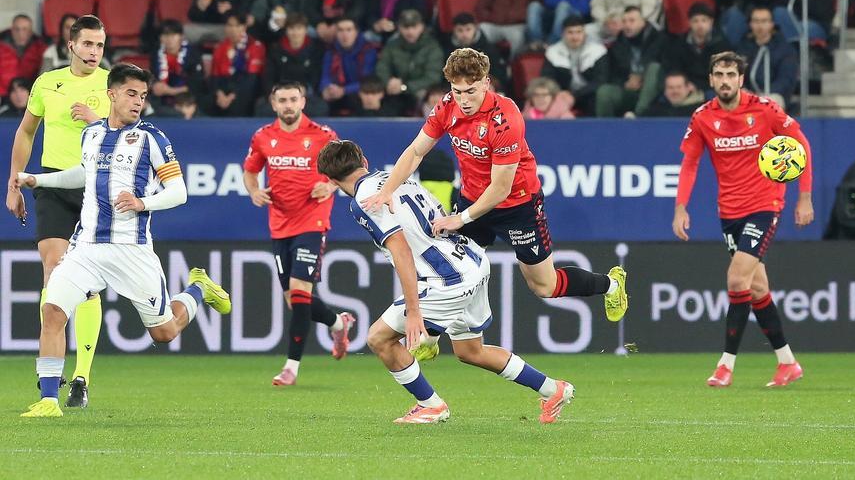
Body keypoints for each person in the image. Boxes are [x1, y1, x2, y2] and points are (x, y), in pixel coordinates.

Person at [361, 48, 628, 358]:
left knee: (544, 286)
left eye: (470, 91)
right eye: (457, 91)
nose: (463, 98)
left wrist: (459, 220)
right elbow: (417, 151)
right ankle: (431, 337)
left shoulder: (505, 118)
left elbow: (500, 188)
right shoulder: (447, 107)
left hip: (518, 206)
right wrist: (387, 191)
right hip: (473, 199)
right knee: (450, 268)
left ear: (486, 83)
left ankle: (611, 284)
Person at [16, 63, 232, 418]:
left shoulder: (152, 138)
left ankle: (197, 289)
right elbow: (84, 174)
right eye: (131, 93)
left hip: (131, 251)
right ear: (111, 94)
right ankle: (49, 400)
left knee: (163, 333)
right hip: (85, 248)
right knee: (53, 310)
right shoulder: (92, 135)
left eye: (143, 96)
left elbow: (179, 191)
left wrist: (142, 202)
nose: (138, 102)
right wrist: (40, 181)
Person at [317, 139, 575, 425]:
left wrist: (414, 312)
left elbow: (400, 250)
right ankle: (553, 389)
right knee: (470, 351)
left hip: (446, 279)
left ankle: (430, 405)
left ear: (329, 180)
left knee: (379, 339)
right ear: (364, 161)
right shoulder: (393, 177)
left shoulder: (364, 202)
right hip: (472, 261)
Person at [672, 51, 814, 388]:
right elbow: (690, 163)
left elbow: (801, 142)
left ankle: (725, 365)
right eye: (718, 74)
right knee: (757, 287)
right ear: (710, 80)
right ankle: (788, 363)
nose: (724, 80)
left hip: (766, 204)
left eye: (730, 74)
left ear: (741, 79)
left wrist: (804, 197)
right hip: (729, 212)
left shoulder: (764, 109)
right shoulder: (703, 117)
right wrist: (681, 207)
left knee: (737, 280)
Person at [5, 15, 110, 409]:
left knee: (87, 282)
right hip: (51, 183)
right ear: (71, 45)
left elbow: (133, 134)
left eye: (99, 45)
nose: (94, 52)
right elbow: (26, 131)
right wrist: (13, 182)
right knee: (54, 267)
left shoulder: (113, 85)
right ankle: (50, 372)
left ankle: (82, 375)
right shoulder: (48, 82)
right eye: (88, 44)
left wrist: (98, 121)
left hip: (94, 187)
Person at [243, 82, 355, 386]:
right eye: (283, 100)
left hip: (312, 221)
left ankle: (291, 366)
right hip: (279, 223)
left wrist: (330, 185)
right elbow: (250, 170)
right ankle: (337, 322)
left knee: (300, 291)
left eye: (293, 99)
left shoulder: (322, 135)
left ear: (303, 101)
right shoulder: (264, 136)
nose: (288, 105)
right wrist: (253, 191)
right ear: (273, 103)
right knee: (296, 300)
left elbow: (352, 167)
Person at [540, 15, 606, 115]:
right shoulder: (553, 52)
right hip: (562, 95)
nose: (575, 37)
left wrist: (575, 95)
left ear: (585, 33)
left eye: (579, 32)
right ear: (563, 34)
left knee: (597, 99)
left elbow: (600, 81)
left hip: (588, 94)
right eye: (570, 32)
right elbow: (547, 78)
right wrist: (559, 93)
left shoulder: (597, 51)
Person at [736, 6, 798, 109]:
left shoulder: (784, 49)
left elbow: (785, 79)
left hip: (775, 95)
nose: (760, 26)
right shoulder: (743, 48)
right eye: (756, 21)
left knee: (769, 104)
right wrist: (744, 90)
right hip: (750, 95)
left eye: (764, 21)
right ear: (750, 24)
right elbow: (737, 74)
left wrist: (763, 96)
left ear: (771, 24)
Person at [210, 11, 266, 116]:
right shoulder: (220, 47)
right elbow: (215, 76)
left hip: (245, 88)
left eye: (237, 25)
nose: (233, 29)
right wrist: (219, 94)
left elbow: (251, 79)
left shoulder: (255, 46)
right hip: (224, 88)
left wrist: (231, 96)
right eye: (230, 25)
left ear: (244, 27)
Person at [0, 14, 47, 83]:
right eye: (17, 29)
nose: (20, 33)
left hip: (30, 91)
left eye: (24, 29)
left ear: (31, 32)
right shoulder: (1, 47)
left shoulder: (40, 49)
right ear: (12, 30)